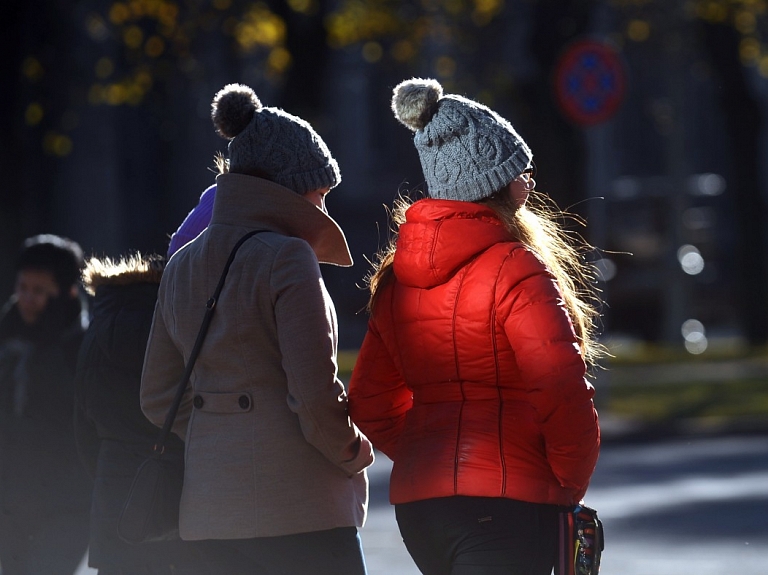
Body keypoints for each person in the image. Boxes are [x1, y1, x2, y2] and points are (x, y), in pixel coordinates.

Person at [348, 78, 602, 575]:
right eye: (520, 170)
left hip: (423, 510)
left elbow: (371, 402)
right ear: (495, 183)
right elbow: (561, 387)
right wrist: (566, 482)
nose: (529, 183)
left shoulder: (398, 278)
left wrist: (432, 456)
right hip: (508, 505)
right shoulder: (517, 267)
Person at [140, 83, 374, 575]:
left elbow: (158, 396)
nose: (324, 206)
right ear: (289, 186)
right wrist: (353, 452)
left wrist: (219, 434)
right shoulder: (287, 258)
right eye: (321, 191)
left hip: (209, 514)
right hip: (301, 510)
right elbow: (312, 393)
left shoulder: (182, 264)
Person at [74, 250, 216, 574]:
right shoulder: (183, 320)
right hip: (184, 499)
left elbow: (82, 429)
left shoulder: (96, 331)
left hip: (118, 504)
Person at [0, 234, 92, 575]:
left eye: (39, 291)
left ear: (66, 291)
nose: (27, 299)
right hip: (11, 507)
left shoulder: (81, 349)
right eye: (22, 287)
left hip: (66, 506)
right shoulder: (7, 340)